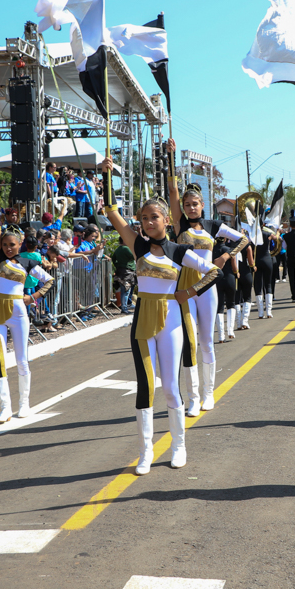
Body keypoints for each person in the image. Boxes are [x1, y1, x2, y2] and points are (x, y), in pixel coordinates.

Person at [103, 160, 221, 475]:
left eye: (153, 217)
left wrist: (190, 293)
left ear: (167, 220)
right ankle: (145, 452)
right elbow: (111, 210)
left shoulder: (179, 251)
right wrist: (106, 174)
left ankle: (178, 445)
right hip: (143, 319)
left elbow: (213, 271)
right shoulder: (137, 245)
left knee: (170, 385)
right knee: (146, 386)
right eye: (143, 218)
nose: (147, 222)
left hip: (171, 320)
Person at [167, 164, 248, 415]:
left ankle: (208, 393)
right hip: (184, 287)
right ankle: (192, 398)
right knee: (189, 343)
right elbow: (172, 192)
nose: (191, 207)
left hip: (208, 287)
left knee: (206, 341)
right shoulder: (179, 225)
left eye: (195, 204)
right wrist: (170, 157)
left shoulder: (213, 226)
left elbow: (243, 239)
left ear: (203, 205)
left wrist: (224, 258)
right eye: (187, 203)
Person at [0, 184, 55, 423]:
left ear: (20, 245)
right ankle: (5, 407)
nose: (7, 248)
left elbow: (49, 280)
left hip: (18, 311)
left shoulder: (26, 263)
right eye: (4, 245)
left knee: (21, 359)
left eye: (12, 245)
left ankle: (24, 403)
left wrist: (32, 297)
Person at [214, 237, 238, 342]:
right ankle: (230, 331)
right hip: (229, 278)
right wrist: (236, 273)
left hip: (217, 279)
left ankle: (221, 336)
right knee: (231, 304)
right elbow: (234, 266)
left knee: (219, 307)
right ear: (224, 238)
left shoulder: (211, 250)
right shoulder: (228, 249)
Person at [111, 236, 136, 315]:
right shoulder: (126, 249)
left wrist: (117, 265)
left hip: (120, 271)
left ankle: (124, 306)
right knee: (126, 291)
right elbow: (133, 256)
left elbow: (113, 258)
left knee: (123, 290)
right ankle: (124, 308)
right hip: (127, 272)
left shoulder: (118, 249)